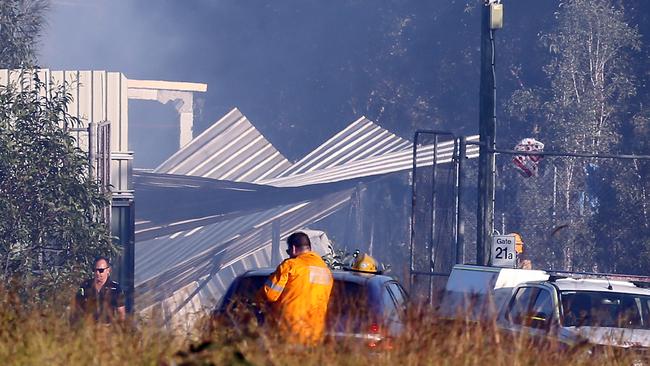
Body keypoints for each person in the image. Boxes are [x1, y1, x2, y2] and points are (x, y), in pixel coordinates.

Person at [258, 231, 333, 345]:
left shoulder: (290, 265)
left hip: (289, 330)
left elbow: (269, 295)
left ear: (293, 248)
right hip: (315, 334)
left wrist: (255, 299)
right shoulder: (326, 271)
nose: (288, 253)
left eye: (288, 251)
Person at [72, 256, 126, 324]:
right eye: (95, 270)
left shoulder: (115, 288)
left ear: (108, 270)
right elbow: (77, 308)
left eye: (101, 270)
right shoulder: (85, 286)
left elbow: (121, 314)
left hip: (107, 329)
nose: (97, 273)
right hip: (88, 328)